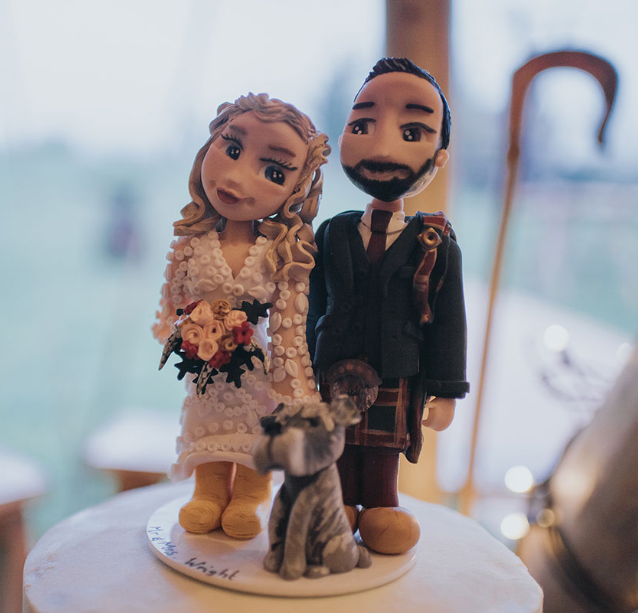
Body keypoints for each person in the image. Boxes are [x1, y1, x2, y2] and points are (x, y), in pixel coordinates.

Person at [306, 58, 469, 555]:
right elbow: (311, 307)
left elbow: (448, 323)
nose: (381, 144)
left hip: (397, 371)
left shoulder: (434, 242)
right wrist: (296, 367)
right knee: (332, 445)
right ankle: (334, 507)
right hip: (331, 370)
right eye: (363, 125)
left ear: (439, 157)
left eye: (413, 130)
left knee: (380, 451)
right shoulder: (332, 232)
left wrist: (444, 392)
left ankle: (379, 507)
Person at [154, 93, 330, 539]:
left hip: (256, 372)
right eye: (232, 150)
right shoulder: (191, 242)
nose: (236, 177)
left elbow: (290, 322)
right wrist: (175, 334)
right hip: (203, 364)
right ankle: (208, 492)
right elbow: (172, 296)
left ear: (297, 187)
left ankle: (249, 496)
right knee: (206, 424)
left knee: (255, 430)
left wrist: (294, 382)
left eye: (273, 171)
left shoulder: (280, 253)